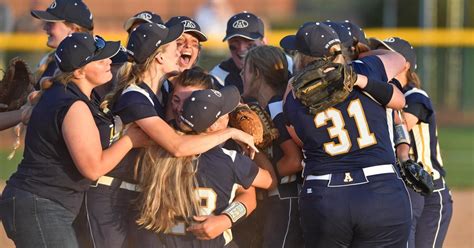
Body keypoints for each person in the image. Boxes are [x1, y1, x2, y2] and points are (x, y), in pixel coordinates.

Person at [85, 23, 257, 248]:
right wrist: (231, 132)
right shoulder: (134, 96)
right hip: (111, 192)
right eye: (174, 46)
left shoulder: (161, 91)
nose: (180, 50)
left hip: (136, 191)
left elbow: (256, 185)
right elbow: (177, 145)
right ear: (158, 57)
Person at [0, 32, 149, 248]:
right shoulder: (73, 105)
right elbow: (93, 167)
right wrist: (129, 140)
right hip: (40, 203)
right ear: (79, 71)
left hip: (37, 202)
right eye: (100, 60)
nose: (109, 61)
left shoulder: (66, 94)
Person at [281, 22, 411, 247]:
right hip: (381, 190)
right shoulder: (364, 69)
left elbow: (299, 139)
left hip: (326, 196)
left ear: (301, 58)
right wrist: (361, 54)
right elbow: (398, 59)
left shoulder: (292, 96)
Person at [129, 84, 273, 247]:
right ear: (215, 126)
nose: (230, 117)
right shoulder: (229, 159)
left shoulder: (157, 153)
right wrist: (254, 146)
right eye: (227, 114)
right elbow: (270, 181)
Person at [371, 37, 453, 248]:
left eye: (386, 55)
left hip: (430, 189)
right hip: (404, 188)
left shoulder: (416, 95)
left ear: (404, 65)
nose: (380, 59)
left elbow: (403, 123)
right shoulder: (382, 95)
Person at [241, 45, 305, 247]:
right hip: (278, 199)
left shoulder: (277, 106)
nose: (241, 73)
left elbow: (294, 161)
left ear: (257, 73)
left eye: (246, 69)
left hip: (286, 198)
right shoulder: (267, 105)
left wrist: (261, 179)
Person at [210, 11, 293, 94]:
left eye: (248, 41)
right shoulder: (219, 75)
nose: (241, 48)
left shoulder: (284, 64)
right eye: (235, 42)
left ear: (264, 42)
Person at [30, 0, 94, 90]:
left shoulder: (88, 69)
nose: (45, 27)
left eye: (51, 23)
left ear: (74, 29)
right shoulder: (52, 60)